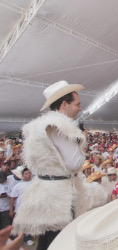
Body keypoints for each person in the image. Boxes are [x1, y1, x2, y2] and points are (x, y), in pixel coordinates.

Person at [12, 80, 87, 250]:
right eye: (77, 103)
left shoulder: (37, 126)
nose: (80, 108)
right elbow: (75, 163)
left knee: (46, 241)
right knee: (60, 242)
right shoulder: (60, 126)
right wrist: (82, 144)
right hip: (62, 196)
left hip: (44, 190)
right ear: (64, 104)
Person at [9, 168, 34, 246]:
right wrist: (11, 210)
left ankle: (27, 238)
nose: (29, 174)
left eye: (29, 173)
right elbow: (13, 199)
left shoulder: (34, 183)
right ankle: (17, 239)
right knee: (19, 224)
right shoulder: (18, 186)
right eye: (26, 173)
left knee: (28, 224)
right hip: (19, 208)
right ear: (23, 175)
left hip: (30, 208)